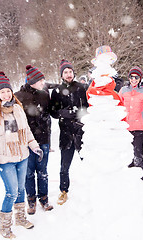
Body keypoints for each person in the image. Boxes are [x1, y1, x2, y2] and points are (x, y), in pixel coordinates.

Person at [0, 72, 42, 238]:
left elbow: (26, 130)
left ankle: (20, 218)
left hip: (22, 156)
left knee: (21, 188)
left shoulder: (17, 108)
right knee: (11, 192)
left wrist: (35, 147)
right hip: (5, 160)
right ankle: (5, 227)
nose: (6, 94)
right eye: (2, 92)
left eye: (8, 91)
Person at [15, 65, 53, 214]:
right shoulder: (18, 96)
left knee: (43, 171)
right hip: (26, 142)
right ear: (33, 81)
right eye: (41, 80)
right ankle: (31, 200)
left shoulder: (44, 95)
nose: (43, 82)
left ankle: (44, 199)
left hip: (43, 139)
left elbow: (50, 114)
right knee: (28, 172)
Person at [50, 59, 89, 205]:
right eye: (65, 72)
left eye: (70, 72)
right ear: (61, 75)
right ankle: (63, 190)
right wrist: (62, 113)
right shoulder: (57, 91)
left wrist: (80, 113)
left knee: (88, 161)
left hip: (81, 131)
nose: (68, 74)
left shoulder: (81, 88)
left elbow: (88, 107)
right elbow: (52, 112)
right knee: (64, 165)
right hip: (65, 133)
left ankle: (94, 187)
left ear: (73, 73)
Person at [118, 66, 143, 184]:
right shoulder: (123, 91)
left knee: (138, 156)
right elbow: (118, 107)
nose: (134, 79)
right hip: (125, 128)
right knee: (126, 156)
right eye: (132, 77)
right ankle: (129, 181)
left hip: (138, 129)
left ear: (140, 78)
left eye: (136, 77)